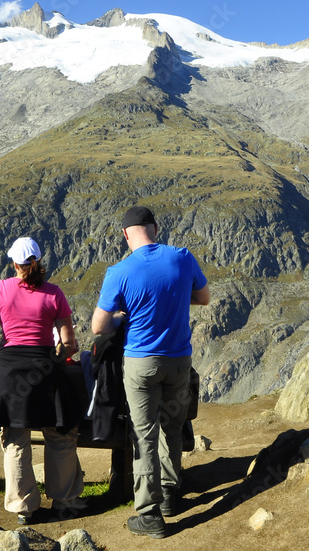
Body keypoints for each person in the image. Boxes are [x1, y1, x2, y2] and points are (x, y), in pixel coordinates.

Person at [91, 206, 210, 539]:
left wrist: (123, 316)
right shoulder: (183, 258)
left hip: (141, 363)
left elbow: (98, 326)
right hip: (179, 360)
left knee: (144, 435)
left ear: (126, 235)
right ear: (155, 229)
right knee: (172, 425)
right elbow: (203, 297)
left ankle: (149, 513)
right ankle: (171, 493)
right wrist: (170, 299)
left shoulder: (120, 271)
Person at [0, 236, 85, 525]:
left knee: (15, 440)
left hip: (9, 372)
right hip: (43, 371)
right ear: (38, 261)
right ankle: (65, 499)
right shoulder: (54, 294)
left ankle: (23, 508)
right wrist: (60, 353)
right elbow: (68, 343)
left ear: (14, 263)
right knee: (60, 435)